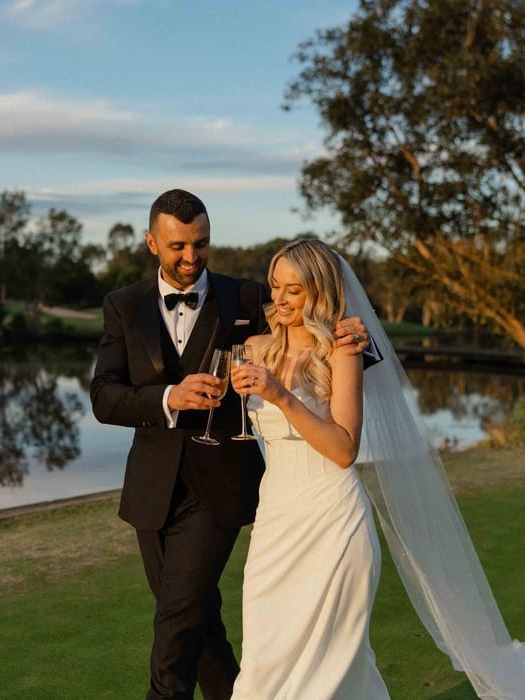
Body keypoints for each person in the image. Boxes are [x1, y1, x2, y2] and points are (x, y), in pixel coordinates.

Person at [90, 190, 371, 699]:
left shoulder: (244, 299)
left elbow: (312, 336)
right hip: (152, 490)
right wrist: (170, 396)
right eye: (177, 246)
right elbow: (105, 398)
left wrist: (358, 336)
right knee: (200, 619)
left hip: (221, 486)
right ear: (153, 243)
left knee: (175, 624)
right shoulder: (123, 306)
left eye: (200, 244)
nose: (190, 257)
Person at [230, 239, 525, 699]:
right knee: (263, 658)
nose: (281, 299)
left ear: (320, 292)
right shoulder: (254, 348)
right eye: (275, 286)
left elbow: (344, 449)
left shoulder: (342, 351)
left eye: (295, 290)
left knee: (336, 664)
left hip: (333, 522)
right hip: (275, 522)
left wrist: (281, 396)